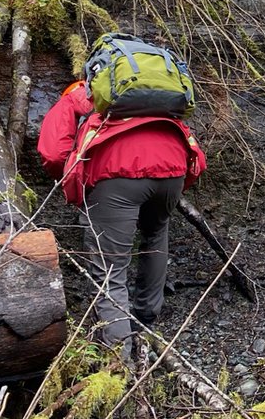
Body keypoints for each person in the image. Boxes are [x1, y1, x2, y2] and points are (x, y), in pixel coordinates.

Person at [38, 78, 207, 357]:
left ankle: (119, 357)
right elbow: (194, 157)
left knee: (110, 266)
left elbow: (53, 152)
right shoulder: (155, 91)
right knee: (155, 234)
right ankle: (147, 319)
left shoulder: (77, 95)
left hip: (116, 174)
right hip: (173, 169)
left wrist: (77, 183)